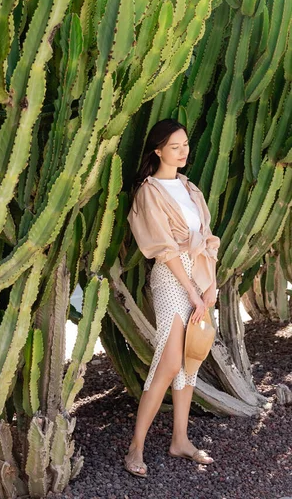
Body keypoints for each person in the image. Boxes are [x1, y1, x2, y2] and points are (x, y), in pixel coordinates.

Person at [123, 118, 221, 478]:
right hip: (171, 278)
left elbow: (207, 238)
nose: (182, 152)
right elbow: (163, 250)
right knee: (167, 362)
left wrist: (211, 285)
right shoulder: (149, 192)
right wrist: (193, 292)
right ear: (158, 150)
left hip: (198, 277)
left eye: (185, 145)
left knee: (191, 359)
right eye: (175, 146)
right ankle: (136, 447)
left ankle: (180, 439)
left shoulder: (190, 188)